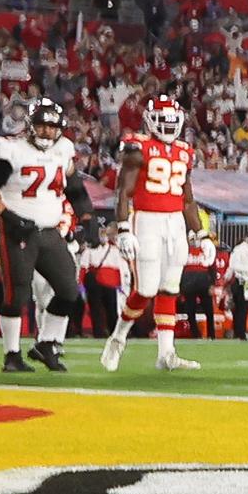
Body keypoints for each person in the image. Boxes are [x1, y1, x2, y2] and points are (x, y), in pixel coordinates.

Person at [0, 97, 90, 374]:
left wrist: (87, 218)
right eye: (41, 125)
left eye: (52, 127)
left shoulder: (63, 149)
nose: (47, 132)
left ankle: (47, 343)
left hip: (50, 231)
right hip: (18, 230)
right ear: (30, 125)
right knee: (17, 294)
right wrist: (9, 217)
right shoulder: (11, 149)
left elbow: (74, 186)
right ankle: (12, 354)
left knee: (68, 290)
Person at [101, 94, 207, 373]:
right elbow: (123, 191)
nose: (168, 125)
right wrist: (124, 228)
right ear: (150, 121)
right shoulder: (138, 147)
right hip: (147, 220)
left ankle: (166, 353)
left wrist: (201, 233)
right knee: (146, 289)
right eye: (163, 120)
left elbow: (188, 199)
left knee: (170, 287)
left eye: (172, 120)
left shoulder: (185, 151)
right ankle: (118, 338)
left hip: (176, 222)